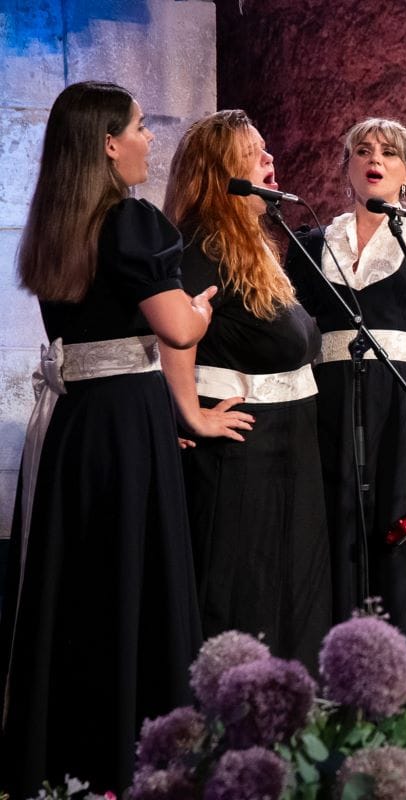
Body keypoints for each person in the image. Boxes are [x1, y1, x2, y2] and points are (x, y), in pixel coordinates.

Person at [0, 81, 212, 795]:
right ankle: (136, 753)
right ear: (108, 143)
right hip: (125, 422)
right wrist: (201, 311)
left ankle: (72, 759)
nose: (150, 139)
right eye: (141, 127)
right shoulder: (129, 221)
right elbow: (176, 328)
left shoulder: (59, 224)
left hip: (76, 426)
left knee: (83, 586)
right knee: (129, 581)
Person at [285, 117, 406, 740]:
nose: (375, 158)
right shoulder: (311, 244)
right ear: (346, 167)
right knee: (336, 553)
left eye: (389, 152)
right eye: (363, 150)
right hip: (329, 414)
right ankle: (339, 725)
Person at [161, 110, 331, 670]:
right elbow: (173, 330)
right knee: (242, 594)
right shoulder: (201, 244)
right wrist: (189, 414)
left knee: (289, 594)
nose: (270, 159)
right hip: (242, 451)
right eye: (254, 152)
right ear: (222, 171)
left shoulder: (253, 243)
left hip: (288, 444)